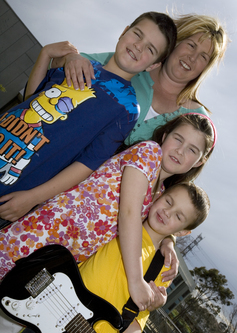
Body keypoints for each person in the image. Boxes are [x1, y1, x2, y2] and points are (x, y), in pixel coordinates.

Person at [0, 112, 216, 311]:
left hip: (66, 258)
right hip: (46, 231)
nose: (180, 150)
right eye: (178, 139)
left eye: (192, 150)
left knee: (12, 301)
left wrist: (169, 240)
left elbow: (158, 221)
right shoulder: (149, 153)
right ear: (165, 135)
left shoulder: (159, 193)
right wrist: (136, 280)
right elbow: (129, 213)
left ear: (200, 161)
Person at [0, 12, 177, 224]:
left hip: (15, 180)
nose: (139, 46)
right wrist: (45, 54)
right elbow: (32, 100)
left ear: (153, 66)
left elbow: (87, 163)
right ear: (124, 31)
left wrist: (33, 197)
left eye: (150, 49)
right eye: (137, 34)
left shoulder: (127, 109)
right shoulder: (80, 65)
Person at [3, 182, 211, 333]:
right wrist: (169, 240)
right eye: (168, 201)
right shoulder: (123, 220)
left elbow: (139, 318)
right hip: (52, 319)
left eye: (178, 216)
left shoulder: (164, 266)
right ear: (158, 195)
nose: (167, 212)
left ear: (183, 232)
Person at [54, 13, 228, 146]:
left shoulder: (197, 118)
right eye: (191, 45)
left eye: (203, 57)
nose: (192, 57)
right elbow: (64, 66)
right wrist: (71, 57)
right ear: (175, 42)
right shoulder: (132, 66)